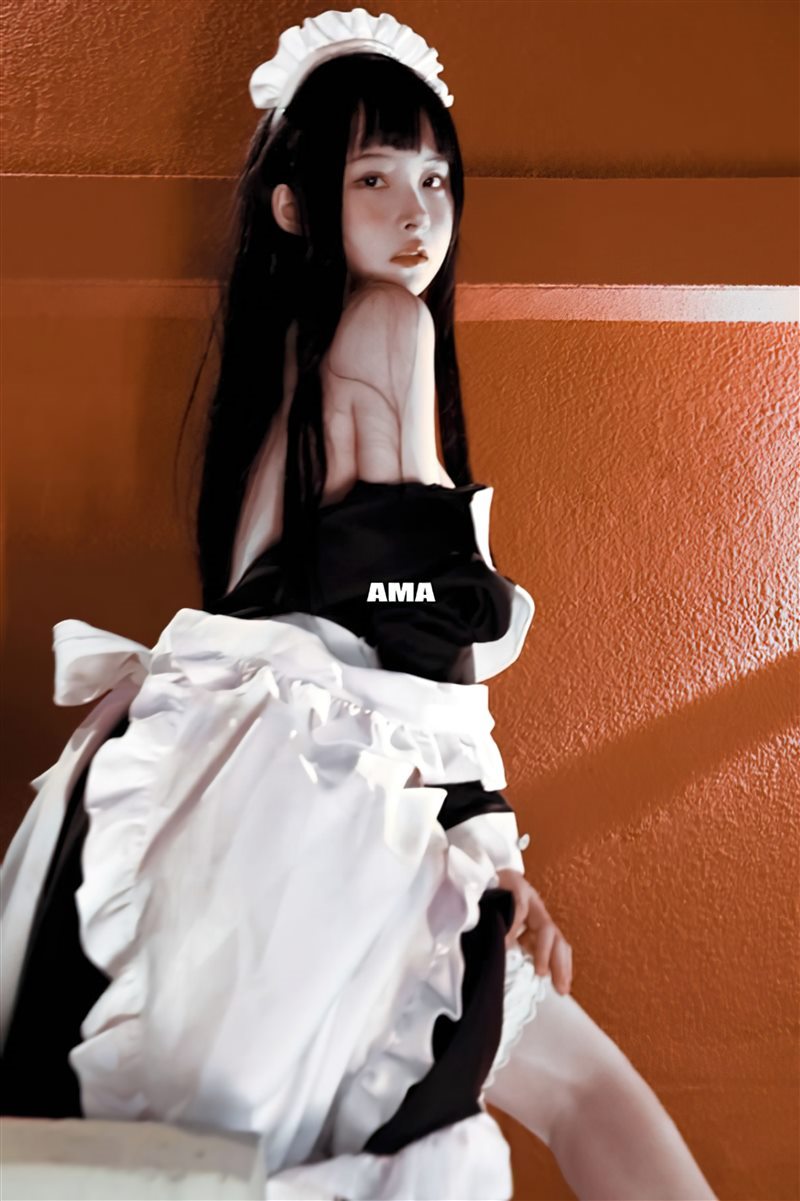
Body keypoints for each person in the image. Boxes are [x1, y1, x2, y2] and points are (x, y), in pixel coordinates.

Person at [1, 8, 717, 1199]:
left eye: (433, 178)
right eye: (373, 177)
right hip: (319, 799)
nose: (415, 213)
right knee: (579, 1097)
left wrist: (480, 845)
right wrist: (482, 840)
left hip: (272, 797)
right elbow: (410, 618)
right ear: (294, 206)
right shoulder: (386, 328)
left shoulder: (289, 376)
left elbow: (380, 612)